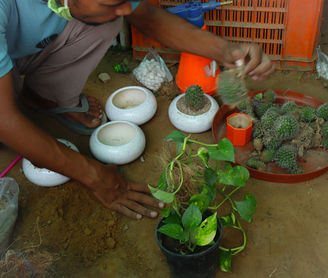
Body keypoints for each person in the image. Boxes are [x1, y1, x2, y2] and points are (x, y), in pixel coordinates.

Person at [0, 0, 274, 219]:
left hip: (25, 45)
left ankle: (44, 96)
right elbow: (4, 120)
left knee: (105, 20)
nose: (124, 9)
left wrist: (225, 51)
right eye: (113, 2)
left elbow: (147, 17)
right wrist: (93, 175)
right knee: (8, 126)